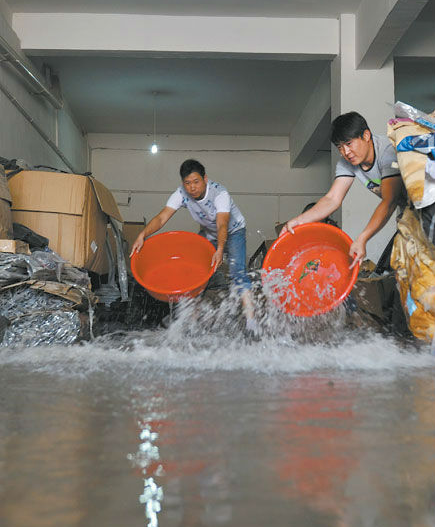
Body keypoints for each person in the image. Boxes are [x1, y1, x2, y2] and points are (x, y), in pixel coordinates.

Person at [130, 159, 257, 337]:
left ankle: (251, 322)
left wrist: (220, 249)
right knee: (198, 273)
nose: (192, 188)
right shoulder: (181, 193)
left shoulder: (219, 193)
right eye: (188, 183)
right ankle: (190, 319)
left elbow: (222, 225)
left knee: (237, 272)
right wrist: (142, 235)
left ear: (205, 179)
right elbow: (161, 218)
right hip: (209, 233)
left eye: (196, 182)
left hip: (233, 230)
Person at [280, 111, 407, 268]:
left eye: (349, 144)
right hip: (409, 214)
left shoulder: (388, 151)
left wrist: (362, 238)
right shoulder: (347, 163)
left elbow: (390, 201)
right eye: (340, 147)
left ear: (366, 135)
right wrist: (297, 221)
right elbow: (332, 199)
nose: (346, 152)